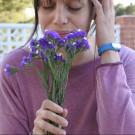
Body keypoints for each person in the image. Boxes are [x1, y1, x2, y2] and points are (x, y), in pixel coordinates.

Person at [0, 0, 135, 134]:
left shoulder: (126, 62)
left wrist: (109, 51)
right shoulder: (15, 68)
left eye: (74, 7)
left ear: (95, 11)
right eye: (48, 6)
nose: (59, 19)